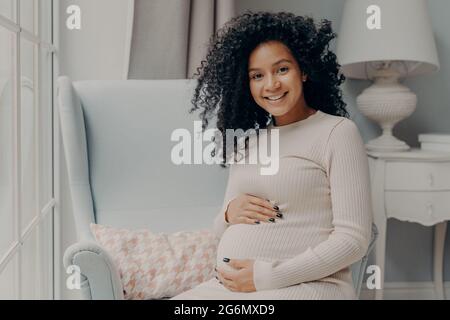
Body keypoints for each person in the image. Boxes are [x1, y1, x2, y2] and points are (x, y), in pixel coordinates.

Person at [171, 11, 373, 300]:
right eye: (257, 76)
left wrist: (266, 276)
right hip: (231, 288)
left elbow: (353, 241)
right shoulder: (248, 143)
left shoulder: (337, 133)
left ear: (303, 70)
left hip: (307, 286)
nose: (271, 85)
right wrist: (229, 213)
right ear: (246, 84)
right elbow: (219, 230)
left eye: (282, 69)